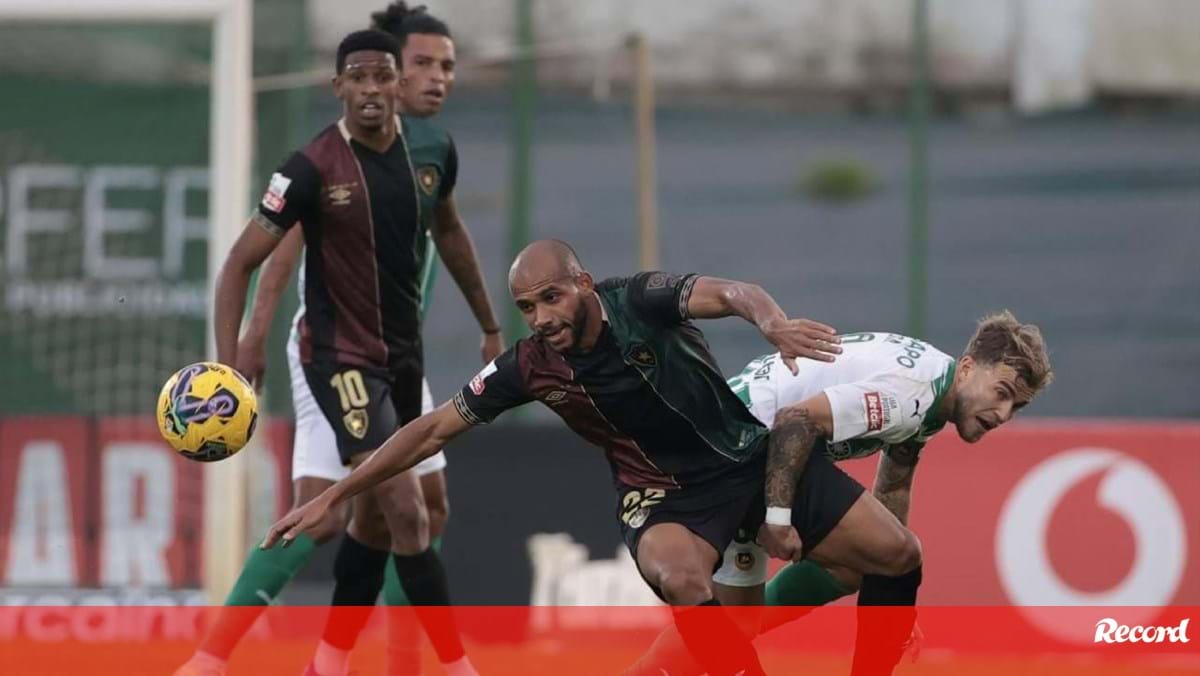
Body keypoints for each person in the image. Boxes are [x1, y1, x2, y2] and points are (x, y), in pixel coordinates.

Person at [263, 239, 844, 676]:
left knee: (891, 556)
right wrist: (337, 493)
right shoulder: (530, 365)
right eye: (526, 307)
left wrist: (772, 323)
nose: (540, 317)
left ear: (583, 283)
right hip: (662, 497)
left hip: (741, 458)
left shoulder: (641, 299)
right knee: (684, 580)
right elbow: (433, 429)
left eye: (550, 298)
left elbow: (731, 292)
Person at [193, 27, 499, 676]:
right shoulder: (311, 167)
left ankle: (332, 662)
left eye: (383, 77)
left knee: (380, 519)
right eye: (358, 78)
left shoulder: (431, 153)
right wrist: (236, 353)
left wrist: (491, 322)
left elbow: (450, 232)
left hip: (401, 359)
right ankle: (450, 666)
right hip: (336, 358)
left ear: (396, 85)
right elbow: (252, 262)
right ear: (339, 87)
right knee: (401, 511)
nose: (372, 89)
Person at [623, 313, 1055, 675]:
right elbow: (796, 420)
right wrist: (778, 518)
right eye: (1001, 393)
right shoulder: (913, 394)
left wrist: (894, 599)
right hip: (746, 444)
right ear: (966, 368)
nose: (1003, 414)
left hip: (719, 440)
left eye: (1016, 406)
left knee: (737, 623)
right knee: (897, 555)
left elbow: (895, 481)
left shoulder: (931, 393)